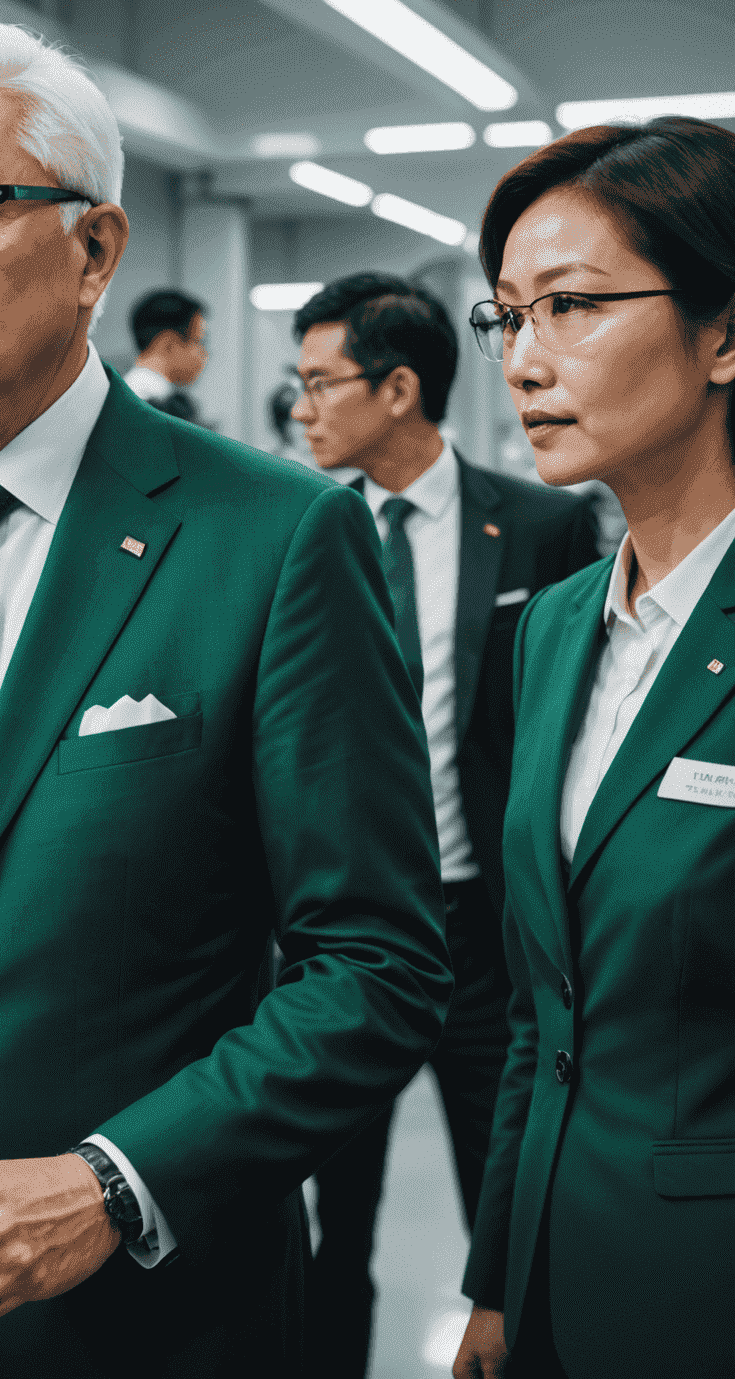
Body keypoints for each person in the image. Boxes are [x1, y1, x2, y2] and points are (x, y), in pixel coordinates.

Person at [0, 19, 452, 1378]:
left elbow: (378, 966)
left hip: (148, 1320)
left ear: (96, 250)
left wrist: (116, 1180)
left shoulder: (272, 539)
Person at [451, 116, 735, 1379]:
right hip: (559, 1285)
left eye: (570, 307)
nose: (524, 360)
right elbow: (539, 1008)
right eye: (508, 317)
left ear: (724, 331)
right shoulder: (558, 626)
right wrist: (500, 1284)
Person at [287, 275, 599, 1377]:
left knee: (506, 1214)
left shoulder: (546, 523)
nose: (300, 409)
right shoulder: (297, 534)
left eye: (320, 384)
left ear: (401, 388)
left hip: (486, 941)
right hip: (340, 940)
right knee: (327, 1224)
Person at [123, 289, 208, 420]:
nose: (205, 355)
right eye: (200, 342)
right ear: (169, 344)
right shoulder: (146, 405)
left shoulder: (129, 394)